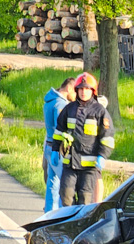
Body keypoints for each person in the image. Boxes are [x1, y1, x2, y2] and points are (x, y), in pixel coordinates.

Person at [51, 72, 115, 206]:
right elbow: (59, 130)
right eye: (80, 89)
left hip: (89, 168)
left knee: (85, 200)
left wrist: (102, 156)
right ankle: (70, 224)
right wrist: (55, 150)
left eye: (87, 89)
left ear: (93, 91)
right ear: (76, 90)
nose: (83, 92)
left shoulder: (100, 111)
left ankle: (82, 226)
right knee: (66, 195)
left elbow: (107, 137)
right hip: (70, 164)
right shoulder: (69, 109)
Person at [42, 77, 76, 212]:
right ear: (69, 88)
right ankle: (63, 214)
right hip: (57, 148)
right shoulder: (60, 105)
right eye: (74, 92)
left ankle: (49, 212)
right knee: (64, 183)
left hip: (48, 146)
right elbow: (61, 128)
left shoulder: (49, 101)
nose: (75, 96)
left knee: (52, 182)